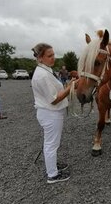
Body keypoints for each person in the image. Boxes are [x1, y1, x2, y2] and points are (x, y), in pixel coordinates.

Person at [31, 43, 78, 184]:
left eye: (53, 55)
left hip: (50, 113)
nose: (53, 58)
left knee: (51, 143)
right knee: (51, 144)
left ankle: (52, 165)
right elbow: (54, 99)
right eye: (49, 56)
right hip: (50, 113)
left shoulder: (45, 71)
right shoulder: (42, 75)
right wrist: (70, 87)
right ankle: (52, 175)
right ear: (40, 58)